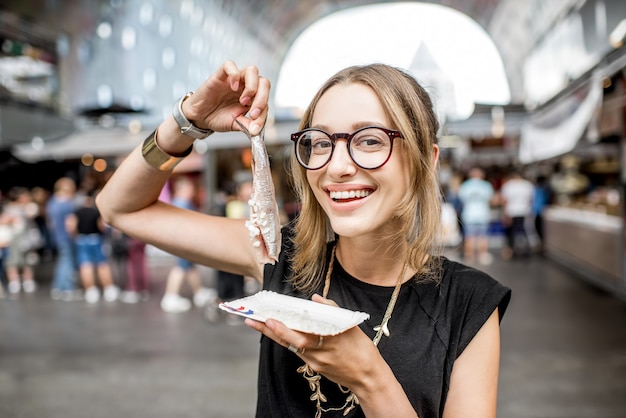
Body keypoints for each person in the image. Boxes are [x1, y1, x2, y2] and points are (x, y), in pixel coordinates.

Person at [97, 61, 511, 417]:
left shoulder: (468, 304)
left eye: (370, 140)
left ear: (428, 159)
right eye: (320, 142)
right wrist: (188, 122)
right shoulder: (283, 255)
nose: (337, 166)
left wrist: (370, 378)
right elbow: (121, 208)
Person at [159, 177, 214, 313]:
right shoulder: (181, 203)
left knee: (189, 267)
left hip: (183, 241)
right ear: (181, 189)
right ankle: (170, 296)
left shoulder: (179, 203)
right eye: (189, 188)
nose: (192, 191)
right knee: (181, 267)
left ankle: (198, 292)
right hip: (183, 241)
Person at [66, 189, 119, 303]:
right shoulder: (96, 211)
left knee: (85, 266)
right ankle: (108, 289)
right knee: (102, 264)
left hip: (82, 240)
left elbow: (71, 225)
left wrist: (76, 236)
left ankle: (91, 290)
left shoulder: (77, 211)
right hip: (95, 239)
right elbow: (101, 226)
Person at [47, 177, 81, 301]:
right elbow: (70, 224)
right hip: (67, 237)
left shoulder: (52, 202)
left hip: (57, 236)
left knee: (62, 261)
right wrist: (75, 235)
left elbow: (50, 223)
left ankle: (58, 287)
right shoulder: (67, 204)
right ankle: (67, 288)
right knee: (67, 262)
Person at [458, 167, 495, 265]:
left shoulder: (465, 185)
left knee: (469, 236)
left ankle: (469, 256)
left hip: (469, 214)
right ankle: (483, 255)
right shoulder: (486, 185)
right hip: (483, 214)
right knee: (483, 236)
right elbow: (491, 200)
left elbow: (461, 200)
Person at [500, 170, 535, 260]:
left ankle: (510, 251)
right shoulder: (527, 185)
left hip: (512, 212)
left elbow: (505, 200)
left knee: (511, 233)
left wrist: (505, 213)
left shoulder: (508, 185)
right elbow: (531, 200)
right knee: (523, 231)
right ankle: (526, 250)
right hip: (524, 212)